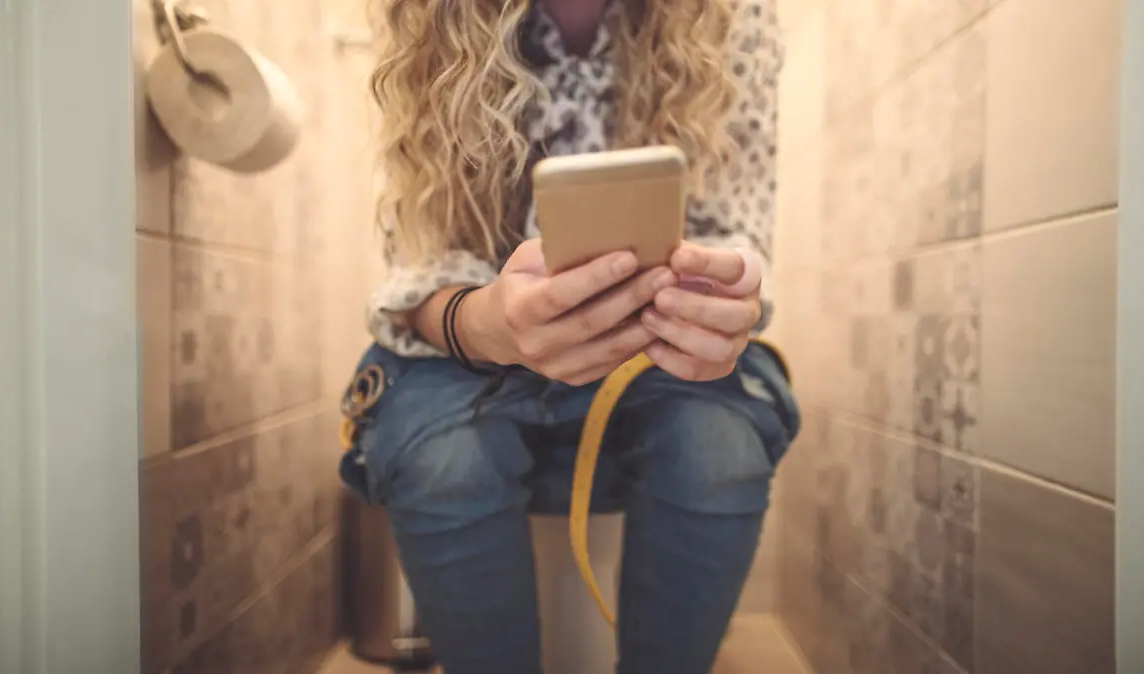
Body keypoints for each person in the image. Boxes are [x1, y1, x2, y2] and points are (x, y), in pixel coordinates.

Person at [338, 1, 799, 672]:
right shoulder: (427, 16)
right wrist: (480, 323)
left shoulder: (734, 16)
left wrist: (726, 295)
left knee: (716, 447)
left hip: (654, 356)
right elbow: (413, 266)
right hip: (472, 351)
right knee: (446, 460)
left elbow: (738, 227)